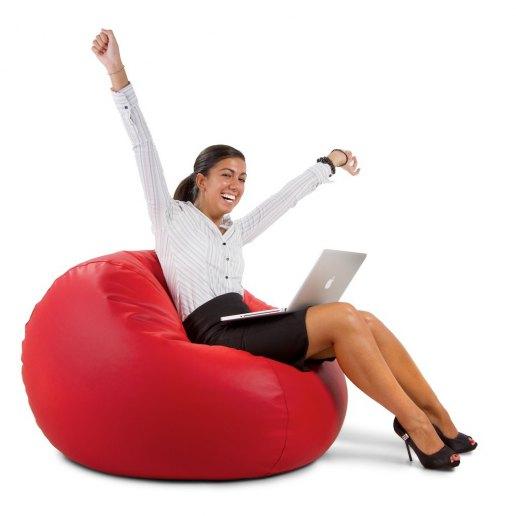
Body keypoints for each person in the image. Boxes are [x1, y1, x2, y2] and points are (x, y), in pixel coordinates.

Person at [91, 28, 477, 471]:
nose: (236, 185)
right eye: (226, 175)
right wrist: (117, 71)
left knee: (365, 319)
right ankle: (416, 426)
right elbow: (142, 143)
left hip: (245, 324)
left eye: (242, 178)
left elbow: (285, 200)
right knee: (343, 316)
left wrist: (329, 163)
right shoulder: (170, 217)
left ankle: (438, 417)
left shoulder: (234, 231)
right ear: (201, 180)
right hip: (214, 333)